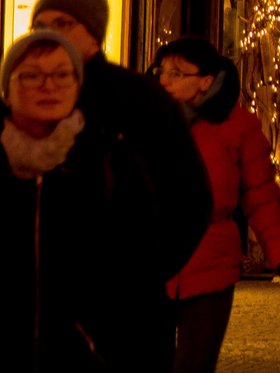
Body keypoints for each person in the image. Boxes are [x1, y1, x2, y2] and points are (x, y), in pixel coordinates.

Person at [5, 29, 180, 370]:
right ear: (7, 88)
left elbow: (140, 271)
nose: (47, 85)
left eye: (61, 74)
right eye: (31, 75)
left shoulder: (110, 159)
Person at [32, 0, 211, 283]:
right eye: (40, 26)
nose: (49, 34)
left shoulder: (137, 97)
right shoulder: (27, 94)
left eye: (63, 23)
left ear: (93, 31)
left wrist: (144, 273)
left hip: (121, 293)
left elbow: (189, 195)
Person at [155, 37, 280, 373]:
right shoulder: (146, 120)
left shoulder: (238, 126)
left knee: (194, 363)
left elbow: (260, 194)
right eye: (161, 71)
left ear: (206, 81)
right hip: (151, 261)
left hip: (211, 261)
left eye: (176, 73)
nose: (164, 80)